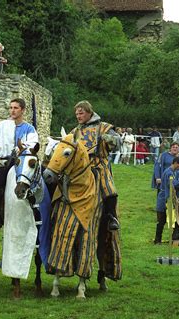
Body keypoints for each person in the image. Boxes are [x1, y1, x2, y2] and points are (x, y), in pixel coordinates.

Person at [70, 100, 121, 286]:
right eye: (76, 113)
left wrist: (111, 139)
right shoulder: (75, 131)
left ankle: (110, 217)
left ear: (89, 112)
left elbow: (117, 140)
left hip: (99, 168)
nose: (78, 116)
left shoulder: (104, 127)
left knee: (109, 189)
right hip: (80, 172)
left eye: (81, 113)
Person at [0, 98, 39, 230]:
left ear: (22, 110)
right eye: (10, 108)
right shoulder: (0, 126)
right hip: (4, 162)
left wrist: (22, 148)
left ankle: (36, 211)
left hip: (22, 162)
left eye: (15, 108)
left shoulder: (29, 128)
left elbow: (33, 143)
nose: (12, 110)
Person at [154, 156, 179, 244]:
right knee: (161, 220)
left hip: (167, 198)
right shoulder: (169, 173)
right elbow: (172, 185)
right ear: (175, 163)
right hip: (163, 199)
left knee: (172, 218)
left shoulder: (172, 172)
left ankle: (176, 235)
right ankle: (157, 240)